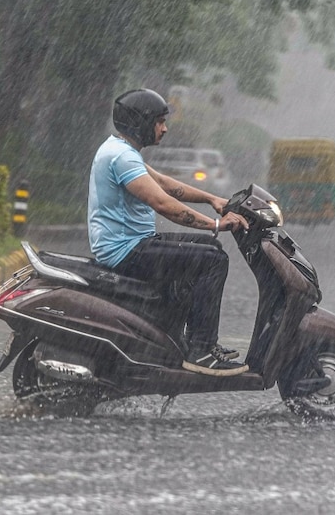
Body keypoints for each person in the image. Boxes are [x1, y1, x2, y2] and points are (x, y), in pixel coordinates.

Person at [88, 88, 249, 377]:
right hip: (126, 251)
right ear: (141, 122)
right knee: (212, 261)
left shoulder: (121, 150)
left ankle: (184, 341)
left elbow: (165, 184)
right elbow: (163, 203)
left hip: (133, 244)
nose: (165, 128)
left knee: (210, 249)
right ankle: (201, 350)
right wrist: (215, 225)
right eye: (159, 121)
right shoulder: (121, 157)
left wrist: (213, 199)